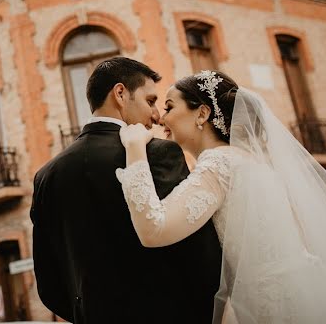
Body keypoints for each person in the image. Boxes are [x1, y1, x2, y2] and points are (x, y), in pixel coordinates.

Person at [117, 70, 326, 323]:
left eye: (169, 107)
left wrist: (135, 150)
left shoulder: (219, 165)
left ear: (202, 114)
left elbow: (153, 230)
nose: (161, 118)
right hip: (305, 292)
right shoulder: (253, 164)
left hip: (275, 308)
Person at [31, 57, 222, 323]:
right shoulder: (157, 153)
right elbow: (200, 256)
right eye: (150, 101)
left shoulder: (45, 177)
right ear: (120, 93)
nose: (156, 117)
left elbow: (48, 283)